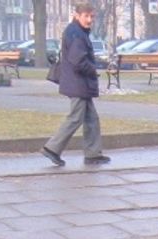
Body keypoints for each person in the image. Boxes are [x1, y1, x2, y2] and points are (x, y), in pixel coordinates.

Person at [42, 2, 109, 167]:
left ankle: (93, 154)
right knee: (75, 118)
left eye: (92, 16)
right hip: (78, 83)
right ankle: (52, 148)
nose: (89, 20)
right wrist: (93, 70)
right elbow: (78, 61)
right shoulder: (76, 34)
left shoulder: (77, 31)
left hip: (79, 83)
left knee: (91, 119)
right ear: (77, 15)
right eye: (86, 16)